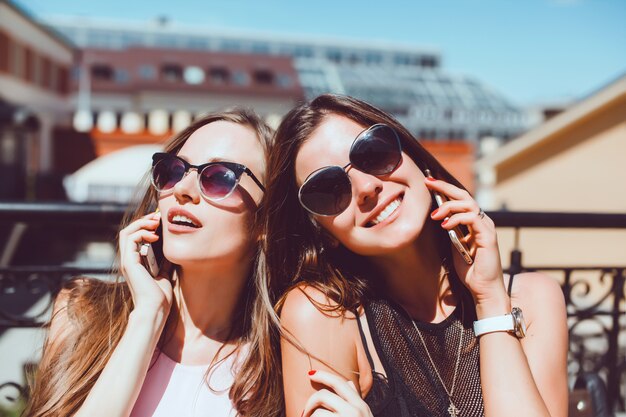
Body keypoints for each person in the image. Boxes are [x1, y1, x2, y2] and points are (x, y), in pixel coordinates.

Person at [263, 94, 568, 417]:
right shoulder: (321, 314)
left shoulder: (533, 299)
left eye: (373, 153)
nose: (366, 188)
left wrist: (490, 300)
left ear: (413, 155)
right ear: (323, 231)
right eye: (328, 189)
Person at [25, 109, 282, 417]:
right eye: (174, 170)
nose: (182, 190)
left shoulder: (278, 361)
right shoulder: (83, 313)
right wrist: (147, 316)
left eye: (218, 178)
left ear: (266, 221)